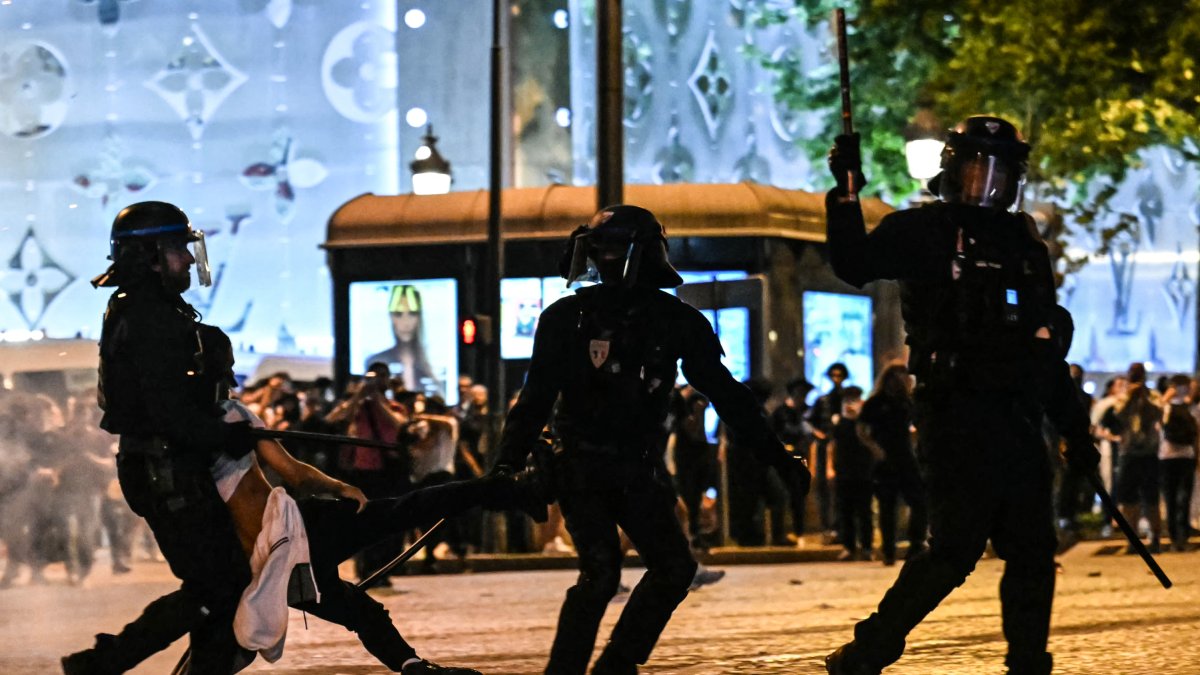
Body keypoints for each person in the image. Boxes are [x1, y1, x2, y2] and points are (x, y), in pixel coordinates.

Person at [822, 118, 1098, 675]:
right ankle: (873, 646)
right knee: (953, 550)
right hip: (954, 412)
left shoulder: (1024, 243)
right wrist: (846, 193)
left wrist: (1075, 433)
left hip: (1017, 417)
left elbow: (1045, 352)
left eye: (998, 169)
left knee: (1032, 551)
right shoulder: (921, 231)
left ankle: (1027, 660)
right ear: (951, 169)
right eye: (974, 166)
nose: (985, 182)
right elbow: (854, 264)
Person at [491, 205, 807, 675]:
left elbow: (726, 394)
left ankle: (616, 665)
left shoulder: (674, 320)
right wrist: (505, 464)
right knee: (601, 576)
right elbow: (535, 398)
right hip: (581, 465)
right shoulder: (567, 317)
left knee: (673, 568)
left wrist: (776, 456)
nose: (605, 259)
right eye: (599, 249)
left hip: (637, 469)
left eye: (615, 249)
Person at [63, 201, 259, 674]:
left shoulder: (151, 308)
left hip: (168, 465)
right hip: (165, 469)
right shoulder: (148, 315)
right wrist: (221, 436)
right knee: (219, 586)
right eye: (177, 249)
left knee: (221, 585)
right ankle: (102, 663)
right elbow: (165, 408)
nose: (189, 260)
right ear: (150, 255)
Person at [858, 363, 927, 566]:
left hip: (906, 457)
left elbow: (916, 425)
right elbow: (862, 428)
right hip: (885, 458)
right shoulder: (875, 403)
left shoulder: (907, 401)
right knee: (887, 506)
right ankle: (888, 550)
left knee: (919, 501)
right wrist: (874, 449)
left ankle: (916, 544)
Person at [1110, 362, 1164, 554]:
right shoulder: (1123, 397)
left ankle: (1155, 538)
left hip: (1149, 453)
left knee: (1152, 498)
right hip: (1128, 452)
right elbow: (1119, 416)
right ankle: (1132, 541)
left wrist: (1145, 398)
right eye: (1134, 374)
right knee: (1128, 499)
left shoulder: (1154, 396)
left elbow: (1158, 415)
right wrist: (1132, 396)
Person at [365, 285, 442, 397]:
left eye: (412, 314)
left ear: (419, 317)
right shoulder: (375, 361)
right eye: (398, 314)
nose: (406, 323)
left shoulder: (434, 365)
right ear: (391, 317)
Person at [829, 386, 874, 561]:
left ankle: (867, 548)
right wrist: (830, 469)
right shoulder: (839, 422)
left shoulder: (865, 421)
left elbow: (872, 443)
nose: (850, 404)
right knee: (845, 511)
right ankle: (848, 547)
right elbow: (833, 445)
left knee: (865, 511)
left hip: (864, 471)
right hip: (844, 471)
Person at [809, 362, 849, 541]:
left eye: (839, 375)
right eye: (833, 375)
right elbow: (809, 421)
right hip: (826, 447)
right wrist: (818, 434)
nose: (836, 379)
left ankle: (841, 527)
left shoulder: (848, 399)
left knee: (843, 487)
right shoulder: (823, 401)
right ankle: (828, 527)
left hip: (843, 447)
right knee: (824, 487)